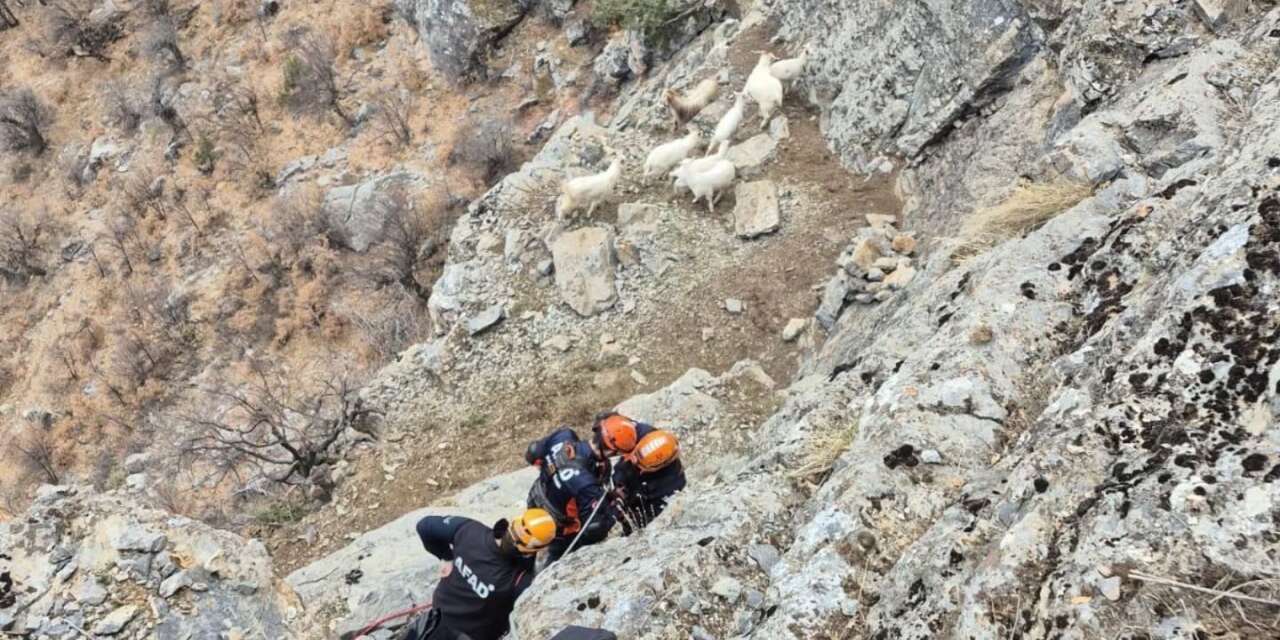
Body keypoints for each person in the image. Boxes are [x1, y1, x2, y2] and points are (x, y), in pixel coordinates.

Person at [396, 508, 556, 640]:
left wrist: (446, 557)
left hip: (434, 619)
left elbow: (425, 526)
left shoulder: (469, 531)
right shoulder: (518, 582)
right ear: (532, 550)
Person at [524, 427, 615, 561]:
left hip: (537, 498)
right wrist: (613, 512)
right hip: (562, 531)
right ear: (612, 450)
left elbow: (533, 452)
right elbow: (594, 529)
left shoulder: (563, 435)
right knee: (555, 559)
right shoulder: (586, 485)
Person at [591, 412, 686, 535]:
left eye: (639, 463)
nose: (634, 460)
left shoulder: (665, 484)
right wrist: (619, 484)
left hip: (655, 495)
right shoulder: (628, 432)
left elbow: (646, 501)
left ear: (653, 468)